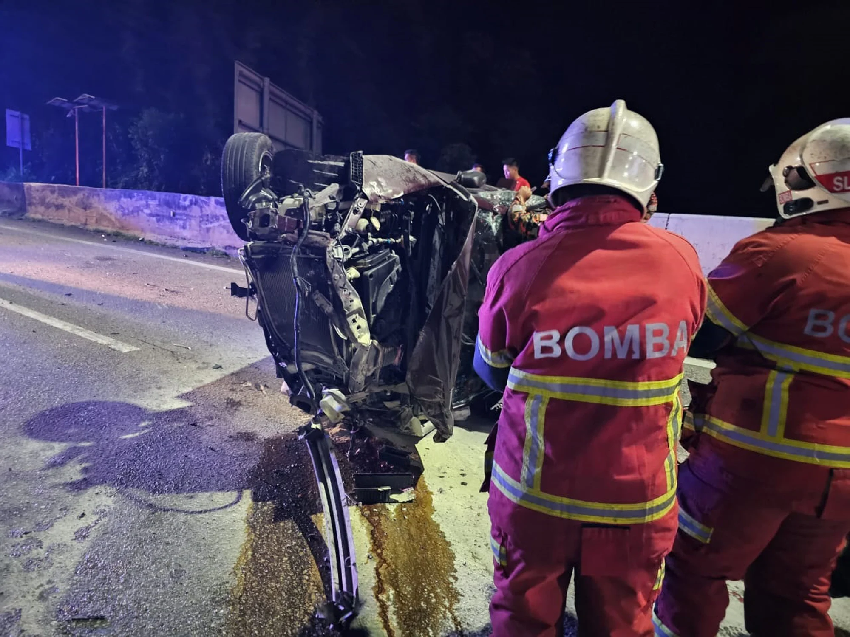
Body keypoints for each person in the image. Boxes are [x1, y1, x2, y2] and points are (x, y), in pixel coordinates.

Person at [474, 99, 706, 636]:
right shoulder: (681, 261)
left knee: (522, 622)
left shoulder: (520, 266)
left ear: (558, 173)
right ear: (648, 185)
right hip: (637, 501)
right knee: (624, 626)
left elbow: (489, 370)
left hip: (535, 499)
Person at [653, 118, 850, 637]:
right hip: (841, 480)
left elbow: (698, 333)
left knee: (694, 571)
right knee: (799, 594)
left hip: (754, 460)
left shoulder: (784, 252)